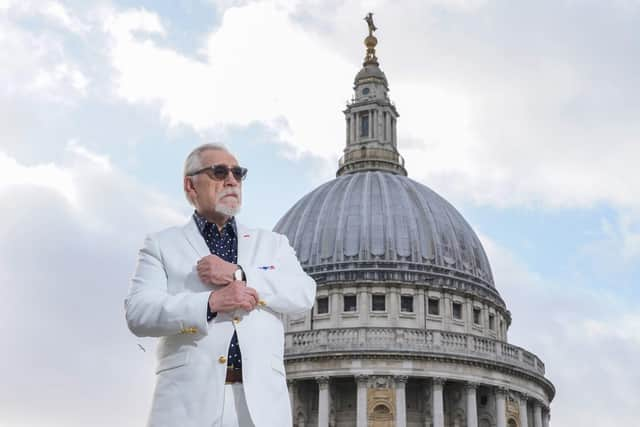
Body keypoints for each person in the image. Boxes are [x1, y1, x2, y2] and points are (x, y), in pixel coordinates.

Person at [125, 143, 316, 427]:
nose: (231, 180)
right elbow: (139, 313)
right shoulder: (161, 245)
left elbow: (304, 293)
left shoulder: (273, 243)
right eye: (219, 171)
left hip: (260, 407)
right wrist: (209, 304)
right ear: (190, 185)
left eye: (238, 173)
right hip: (187, 405)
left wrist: (240, 274)